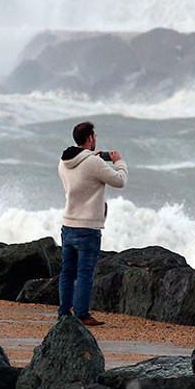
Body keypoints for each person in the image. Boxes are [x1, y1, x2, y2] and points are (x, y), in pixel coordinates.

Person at [57, 121, 128, 326]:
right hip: (88, 227)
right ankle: (82, 313)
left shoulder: (63, 162)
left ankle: (63, 312)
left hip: (68, 223)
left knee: (67, 272)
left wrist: (91, 158)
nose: (95, 139)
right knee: (85, 273)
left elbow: (81, 177)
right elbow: (119, 181)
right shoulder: (93, 163)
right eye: (94, 136)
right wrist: (118, 161)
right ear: (89, 139)